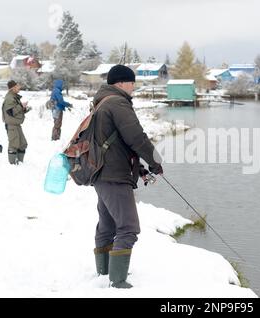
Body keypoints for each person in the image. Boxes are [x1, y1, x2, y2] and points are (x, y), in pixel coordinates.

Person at [92, 65, 163, 289]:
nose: (134, 87)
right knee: (128, 228)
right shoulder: (117, 102)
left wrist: (140, 169)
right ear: (121, 83)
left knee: (107, 225)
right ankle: (118, 281)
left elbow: (118, 143)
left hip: (103, 173)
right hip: (114, 176)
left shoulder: (102, 101)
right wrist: (155, 162)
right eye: (132, 82)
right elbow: (136, 137)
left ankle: (106, 272)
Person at [2, 80, 30, 165]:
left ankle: (20, 163)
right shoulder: (9, 98)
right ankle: (12, 165)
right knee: (14, 145)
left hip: (17, 125)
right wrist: (21, 106)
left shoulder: (14, 97)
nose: (19, 87)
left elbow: (15, 111)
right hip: (12, 126)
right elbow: (11, 112)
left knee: (22, 144)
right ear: (13, 88)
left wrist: (24, 109)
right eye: (17, 86)